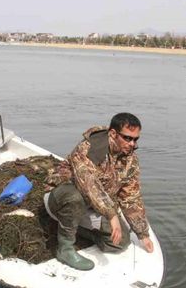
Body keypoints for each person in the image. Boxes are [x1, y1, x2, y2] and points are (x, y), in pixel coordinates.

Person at [46, 113, 155, 271]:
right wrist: (112, 215)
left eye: (135, 139)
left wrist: (142, 233)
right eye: (127, 138)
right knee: (75, 197)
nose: (132, 144)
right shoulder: (89, 148)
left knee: (120, 243)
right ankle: (65, 249)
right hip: (60, 199)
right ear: (113, 134)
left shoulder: (130, 160)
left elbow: (130, 197)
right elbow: (89, 185)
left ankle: (77, 229)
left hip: (94, 207)